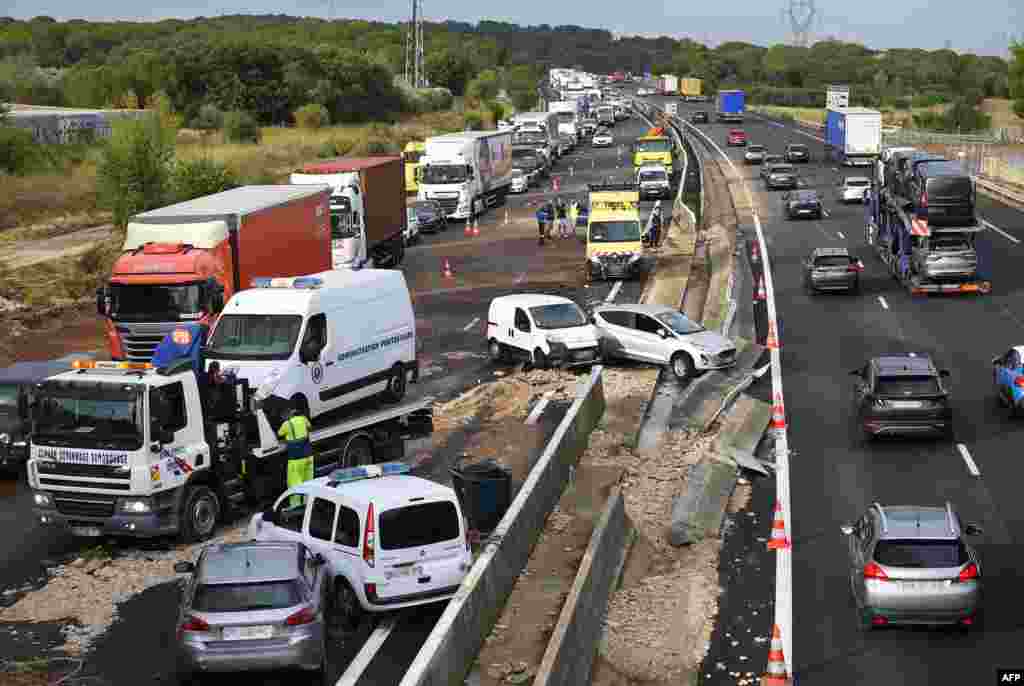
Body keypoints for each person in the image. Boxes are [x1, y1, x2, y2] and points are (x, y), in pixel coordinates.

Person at [278, 402, 314, 506]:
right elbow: (309, 427)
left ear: (287, 415)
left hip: (296, 459)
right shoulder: (303, 419)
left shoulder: (286, 424)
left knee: (295, 483)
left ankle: (296, 506)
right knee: (308, 481)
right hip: (308, 456)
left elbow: (279, 434)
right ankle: (308, 503)